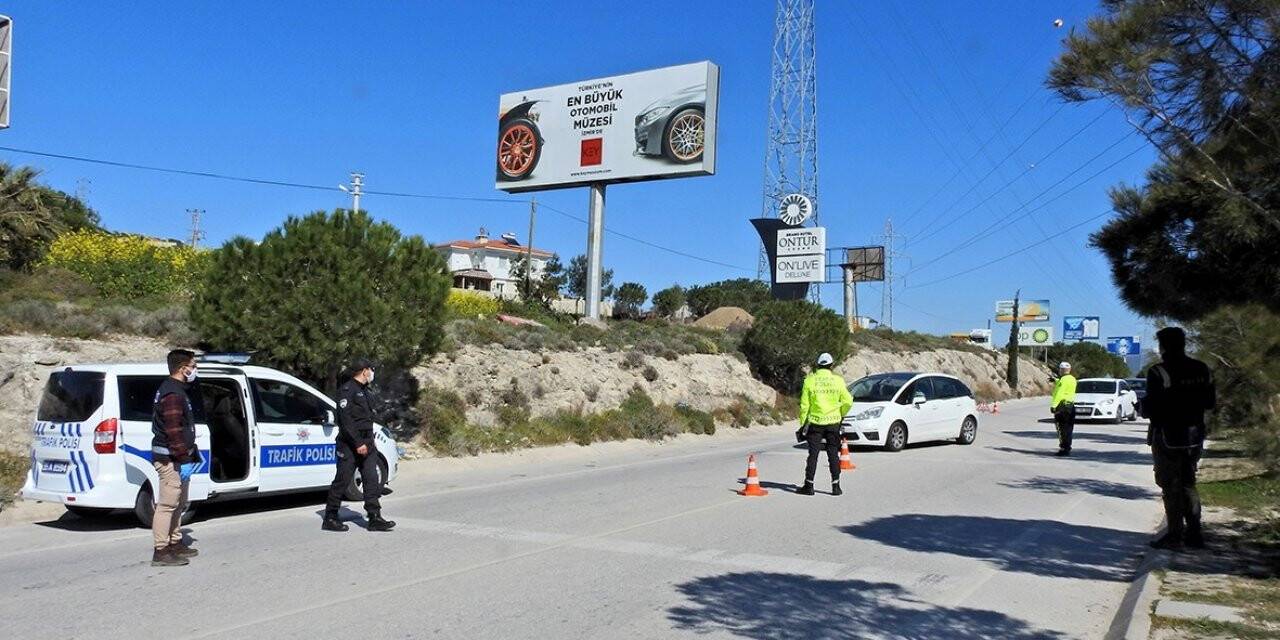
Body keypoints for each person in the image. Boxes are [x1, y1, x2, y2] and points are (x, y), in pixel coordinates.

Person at [1144, 327, 1215, 550]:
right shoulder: (1202, 369)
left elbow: (1152, 408)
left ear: (1162, 346)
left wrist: (1145, 407)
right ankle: (1195, 534)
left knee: (1169, 484)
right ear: (1184, 344)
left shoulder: (1158, 371)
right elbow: (1210, 403)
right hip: (1194, 435)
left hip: (1167, 434)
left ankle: (1174, 535)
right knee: (1188, 482)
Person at [323, 358, 395, 532]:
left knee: (371, 479)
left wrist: (370, 440)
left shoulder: (365, 391)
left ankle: (374, 517)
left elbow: (368, 418)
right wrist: (358, 443)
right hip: (350, 444)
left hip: (368, 443)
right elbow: (346, 421)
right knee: (342, 480)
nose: (372, 373)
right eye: (371, 369)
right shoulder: (347, 390)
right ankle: (330, 517)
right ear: (364, 371)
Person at [149, 349, 203, 567]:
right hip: (170, 459)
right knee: (168, 504)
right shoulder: (172, 393)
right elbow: (173, 430)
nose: (195, 369)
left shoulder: (178, 390)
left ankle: (175, 541)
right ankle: (161, 551)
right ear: (183, 368)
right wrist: (184, 458)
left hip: (179, 457)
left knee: (180, 503)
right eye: (193, 365)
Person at [796, 352, 853, 496]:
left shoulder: (810, 380)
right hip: (833, 422)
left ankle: (809, 486)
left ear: (818, 365)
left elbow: (804, 405)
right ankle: (836, 486)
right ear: (831, 365)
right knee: (833, 453)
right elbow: (848, 401)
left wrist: (803, 424)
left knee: (813, 454)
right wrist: (841, 413)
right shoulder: (838, 381)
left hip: (815, 422)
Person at [1050, 362, 1077, 456]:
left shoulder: (1063, 380)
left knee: (1061, 428)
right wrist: (1055, 380)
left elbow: (1060, 393)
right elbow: (1065, 387)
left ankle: (1063, 448)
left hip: (1062, 407)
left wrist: (1054, 406)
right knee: (1069, 428)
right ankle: (1067, 447)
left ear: (1061, 370)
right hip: (1070, 406)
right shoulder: (1072, 379)